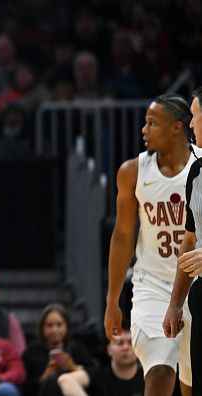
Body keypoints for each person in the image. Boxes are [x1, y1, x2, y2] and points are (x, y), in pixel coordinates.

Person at [104, 94, 197, 395]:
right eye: (145, 122)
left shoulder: (200, 166)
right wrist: (112, 299)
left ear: (177, 128)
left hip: (197, 285)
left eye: (152, 123)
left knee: (190, 381)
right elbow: (122, 236)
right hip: (153, 284)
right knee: (158, 372)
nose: (144, 130)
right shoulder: (132, 171)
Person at [164, 86, 202, 395]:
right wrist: (175, 304)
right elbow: (189, 241)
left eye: (195, 115)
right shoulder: (196, 174)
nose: (191, 124)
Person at [22, 304, 98, 396]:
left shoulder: (77, 350)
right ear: (42, 328)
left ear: (67, 326)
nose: (54, 330)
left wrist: (74, 368)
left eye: (59, 324)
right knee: (52, 383)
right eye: (49, 325)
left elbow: (96, 377)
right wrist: (44, 377)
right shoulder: (31, 352)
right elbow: (23, 387)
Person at [98, 327, 144, 396]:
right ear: (108, 349)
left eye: (131, 343)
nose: (125, 348)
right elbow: (75, 381)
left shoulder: (149, 377)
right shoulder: (98, 375)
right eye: (119, 343)